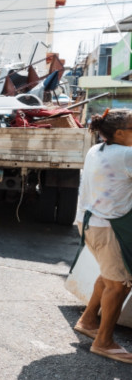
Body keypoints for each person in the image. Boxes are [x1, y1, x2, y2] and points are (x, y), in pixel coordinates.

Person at [73, 109, 132, 364]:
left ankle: (88, 320)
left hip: (87, 224)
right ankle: (104, 342)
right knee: (118, 285)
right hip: (108, 227)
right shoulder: (127, 154)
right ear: (119, 133)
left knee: (109, 276)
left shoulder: (96, 150)